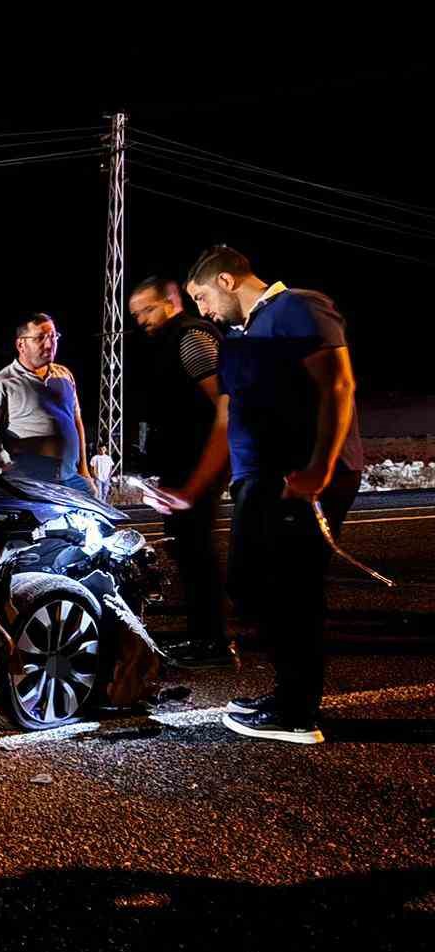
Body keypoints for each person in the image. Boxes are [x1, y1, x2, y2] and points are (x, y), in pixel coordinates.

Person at [183, 246, 364, 744]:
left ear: (225, 279)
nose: (203, 312)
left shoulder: (298, 307)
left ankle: (296, 711)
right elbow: (238, 411)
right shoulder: (246, 332)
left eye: (201, 297)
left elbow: (338, 385)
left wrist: (319, 468)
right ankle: (288, 693)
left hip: (298, 479)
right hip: (262, 482)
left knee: (294, 592)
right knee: (251, 584)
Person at [128, 275, 232, 669]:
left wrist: (196, 481)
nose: (141, 320)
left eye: (147, 310)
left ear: (172, 300)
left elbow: (224, 404)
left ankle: (214, 642)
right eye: (136, 314)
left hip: (198, 462)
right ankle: (204, 635)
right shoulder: (167, 341)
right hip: (181, 462)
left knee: (197, 550)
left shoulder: (190, 338)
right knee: (186, 549)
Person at [0, 314, 97, 495]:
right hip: (32, 483)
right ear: (21, 345)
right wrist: (4, 465)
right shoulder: (1, 382)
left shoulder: (64, 375)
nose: (49, 344)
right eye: (40, 338)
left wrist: (84, 471)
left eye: (53, 337)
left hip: (71, 479)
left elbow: (76, 421)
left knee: (98, 518)